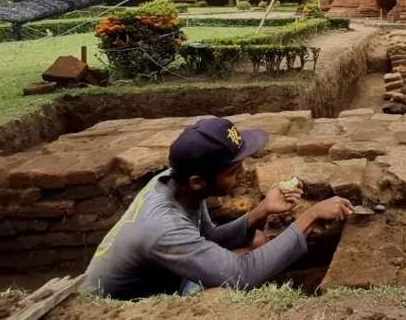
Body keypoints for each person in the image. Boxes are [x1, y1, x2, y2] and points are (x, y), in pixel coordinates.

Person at [81, 117, 354, 300]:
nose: (242, 173)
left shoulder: (173, 184)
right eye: (233, 171)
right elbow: (241, 276)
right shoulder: (163, 227)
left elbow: (206, 240)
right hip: (125, 310)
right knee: (220, 298)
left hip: (169, 280)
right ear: (198, 182)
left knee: (257, 238)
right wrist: (309, 217)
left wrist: (261, 211)